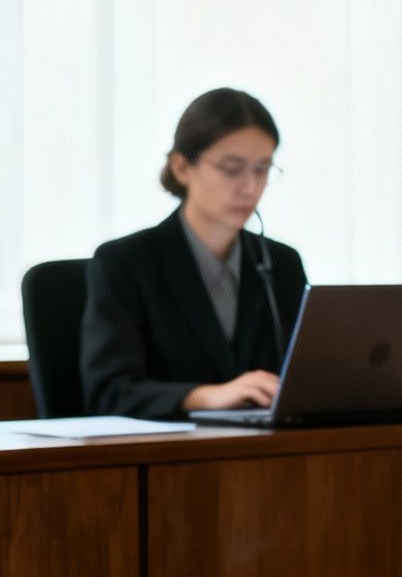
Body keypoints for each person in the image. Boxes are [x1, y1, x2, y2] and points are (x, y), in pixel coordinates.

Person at [80, 88, 308, 418]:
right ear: (181, 167)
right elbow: (109, 393)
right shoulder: (125, 263)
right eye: (232, 168)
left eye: (262, 169)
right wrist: (204, 397)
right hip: (169, 458)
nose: (249, 187)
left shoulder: (280, 264)